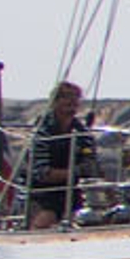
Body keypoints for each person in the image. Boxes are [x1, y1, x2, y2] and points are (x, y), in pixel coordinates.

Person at [22, 81, 92, 228]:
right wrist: (76, 172)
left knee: (94, 217)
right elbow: (42, 173)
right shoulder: (41, 133)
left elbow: (90, 163)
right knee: (46, 219)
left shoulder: (82, 133)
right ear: (54, 102)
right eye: (66, 97)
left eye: (76, 97)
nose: (72, 101)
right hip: (42, 194)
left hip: (75, 192)